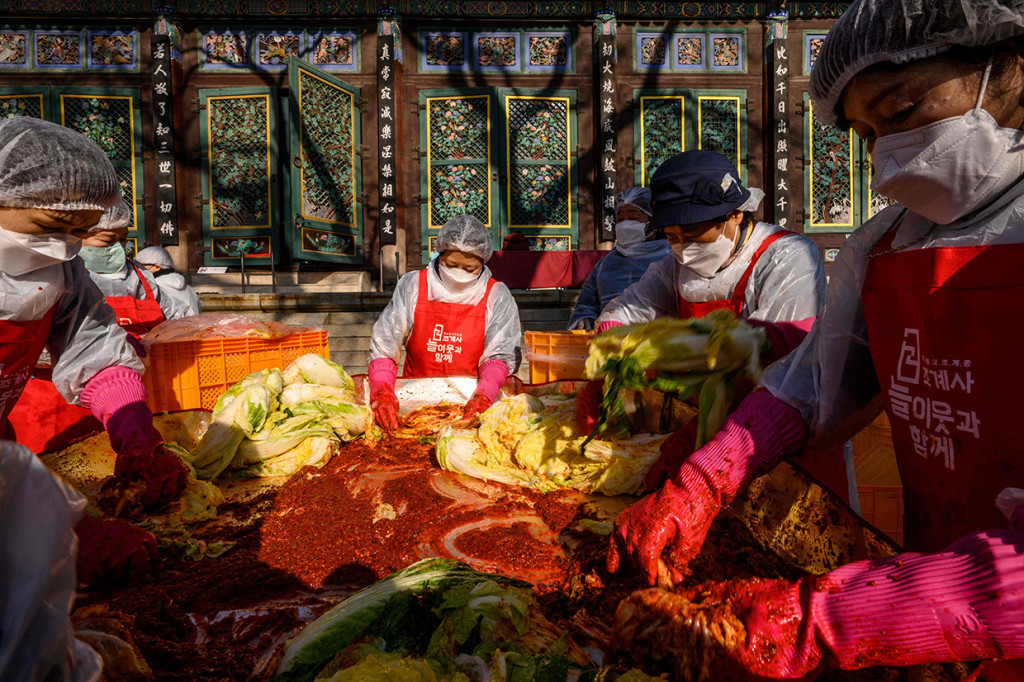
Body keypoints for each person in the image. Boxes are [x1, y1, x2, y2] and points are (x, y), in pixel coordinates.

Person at [608, 1, 1024, 677]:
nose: (886, 150)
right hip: (924, 600)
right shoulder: (886, 243)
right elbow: (816, 384)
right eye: (865, 133)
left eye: (900, 110)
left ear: (1008, 68)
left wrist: (829, 619)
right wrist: (708, 478)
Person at [0, 117, 186, 519]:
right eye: (51, 226)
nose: (63, 245)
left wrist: (135, 433)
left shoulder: (64, 271)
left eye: (79, 233)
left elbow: (95, 349)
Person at [367, 215, 521, 431]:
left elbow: (500, 354)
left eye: (469, 269)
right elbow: (385, 345)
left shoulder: (497, 295)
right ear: (439, 254)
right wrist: (382, 391)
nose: (459, 274)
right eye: (451, 264)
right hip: (414, 400)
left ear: (483, 262)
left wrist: (484, 395)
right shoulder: (413, 284)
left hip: (471, 401)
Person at [79, 201, 193, 337]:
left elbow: (172, 311)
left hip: (137, 354)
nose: (117, 247)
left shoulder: (138, 274)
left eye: (123, 239)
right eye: (107, 240)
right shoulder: (67, 273)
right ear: (79, 237)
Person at [568, 187, 671, 331]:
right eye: (620, 219)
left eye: (633, 218)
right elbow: (587, 303)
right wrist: (585, 318)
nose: (625, 225)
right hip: (610, 339)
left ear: (653, 222)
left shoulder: (671, 257)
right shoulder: (605, 263)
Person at [135, 245, 202, 316]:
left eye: (142, 266)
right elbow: (199, 308)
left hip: (169, 326)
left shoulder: (155, 287)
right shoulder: (187, 287)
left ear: (157, 267)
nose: (139, 269)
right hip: (193, 325)